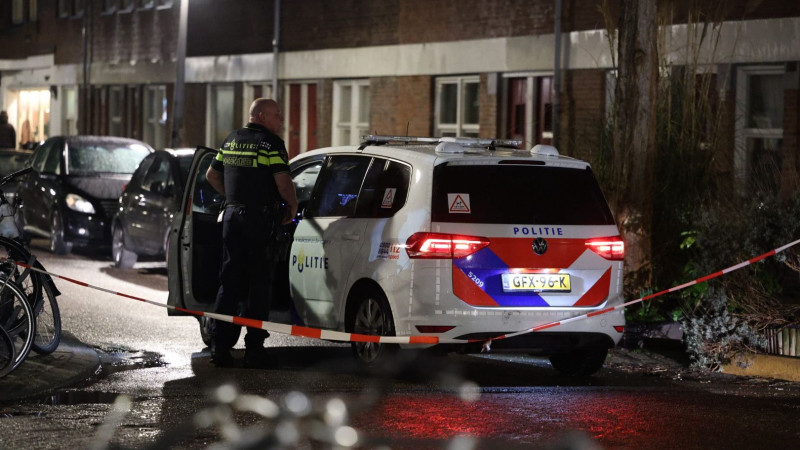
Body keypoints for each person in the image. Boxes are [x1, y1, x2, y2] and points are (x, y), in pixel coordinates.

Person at [205, 98, 298, 368]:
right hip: (259, 219)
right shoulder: (271, 144)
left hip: (232, 217)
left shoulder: (231, 140)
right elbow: (283, 183)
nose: (281, 119)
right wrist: (293, 205)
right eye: (277, 114)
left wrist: (233, 198)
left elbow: (212, 175)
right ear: (261, 116)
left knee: (229, 281)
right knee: (259, 283)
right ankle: (254, 349)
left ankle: (219, 347)